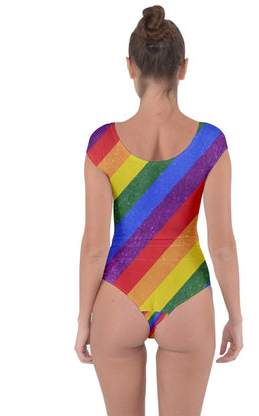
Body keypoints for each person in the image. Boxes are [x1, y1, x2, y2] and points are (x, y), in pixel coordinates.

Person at [75, 5, 243, 415]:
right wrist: (235, 317)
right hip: (187, 295)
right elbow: (222, 245)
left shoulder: (102, 146)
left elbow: (95, 246)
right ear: (183, 68)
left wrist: (83, 320)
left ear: (130, 67)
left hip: (119, 293)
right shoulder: (210, 145)